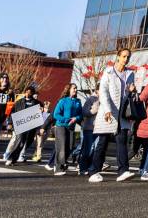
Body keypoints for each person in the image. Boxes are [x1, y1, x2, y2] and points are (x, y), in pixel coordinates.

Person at [88, 46, 136, 183]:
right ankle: (93, 171)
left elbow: (129, 93)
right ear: (118, 57)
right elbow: (103, 92)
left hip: (122, 114)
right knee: (102, 142)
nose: (126, 59)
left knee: (122, 141)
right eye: (124, 56)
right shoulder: (108, 72)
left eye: (128, 57)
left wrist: (132, 91)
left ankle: (123, 171)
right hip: (107, 112)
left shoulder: (130, 74)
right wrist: (108, 109)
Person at [3, 85, 40, 165]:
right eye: (26, 92)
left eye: (29, 93)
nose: (27, 94)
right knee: (19, 141)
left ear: (32, 93)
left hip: (30, 127)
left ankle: (14, 159)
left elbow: (39, 114)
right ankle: (10, 158)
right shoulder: (19, 102)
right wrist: (10, 123)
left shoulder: (36, 103)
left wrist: (38, 128)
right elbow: (12, 112)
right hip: (19, 125)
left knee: (25, 143)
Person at [52, 84, 82, 176]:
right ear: (69, 90)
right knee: (61, 147)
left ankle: (63, 162)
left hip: (71, 127)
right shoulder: (63, 101)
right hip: (61, 126)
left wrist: (75, 119)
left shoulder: (78, 101)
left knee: (70, 147)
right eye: (74, 88)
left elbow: (80, 114)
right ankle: (58, 168)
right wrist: (66, 119)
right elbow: (56, 114)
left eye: (76, 88)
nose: (76, 90)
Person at [77, 87, 99, 176]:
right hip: (89, 128)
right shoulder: (90, 99)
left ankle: (90, 167)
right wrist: (94, 110)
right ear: (97, 90)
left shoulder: (104, 100)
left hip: (98, 128)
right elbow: (85, 112)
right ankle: (82, 168)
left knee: (96, 149)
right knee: (88, 149)